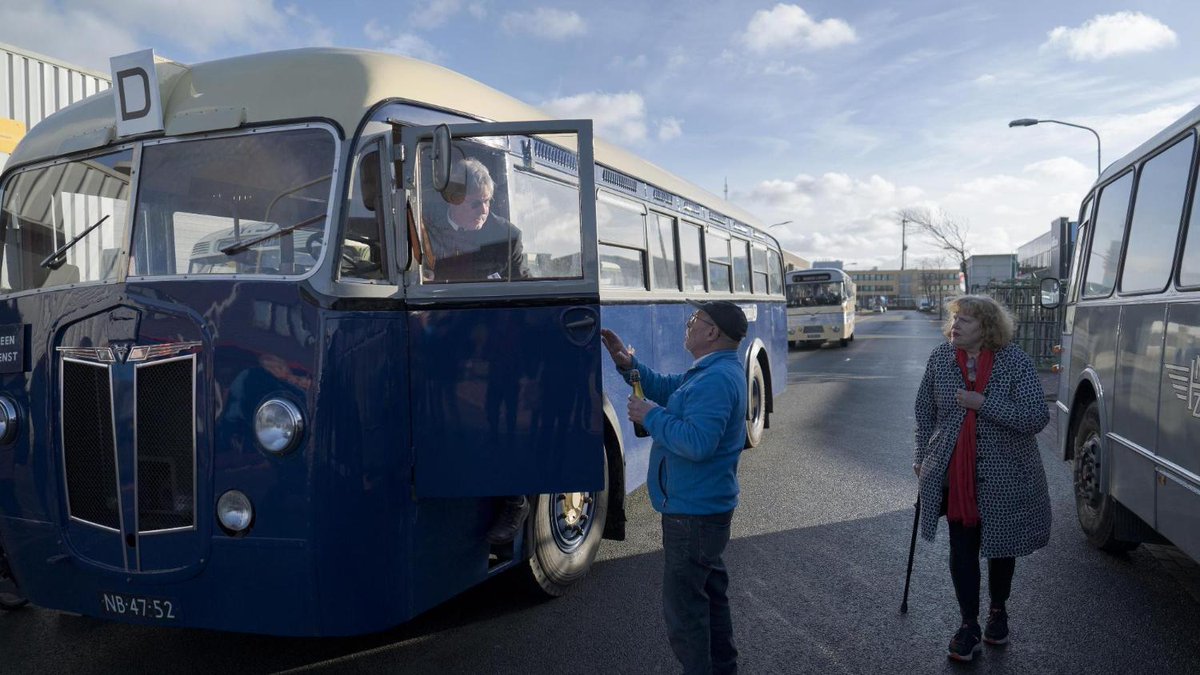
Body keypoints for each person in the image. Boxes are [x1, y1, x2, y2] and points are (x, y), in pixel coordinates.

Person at [600, 300, 748, 675]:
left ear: (712, 332)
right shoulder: (710, 371)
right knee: (710, 597)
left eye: (695, 320)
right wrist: (627, 365)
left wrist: (651, 415)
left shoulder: (715, 379)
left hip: (693, 514)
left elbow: (698, 443)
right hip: (700, 509)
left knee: (685, 614)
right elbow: (669, 389)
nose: (689, 324)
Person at [912, 295, 1051, 662]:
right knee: (962, 546)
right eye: (955, 319)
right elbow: (925, 410)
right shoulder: (941, 357)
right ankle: (968, 624)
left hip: (1006, 473)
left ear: (987, 328)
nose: (956, 326)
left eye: (967, 321)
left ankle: (998, 611)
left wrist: (982, 403)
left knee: (1001, 547)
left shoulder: (1015, 361)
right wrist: (920, 457)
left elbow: (1036, 417)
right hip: (955, 473)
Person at [423, 156, 530, 282]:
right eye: (475, 204)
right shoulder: (426, 227)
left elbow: (524, 286)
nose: (484, 210)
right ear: (453, 199)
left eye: (487, 201)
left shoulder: (508, 237)